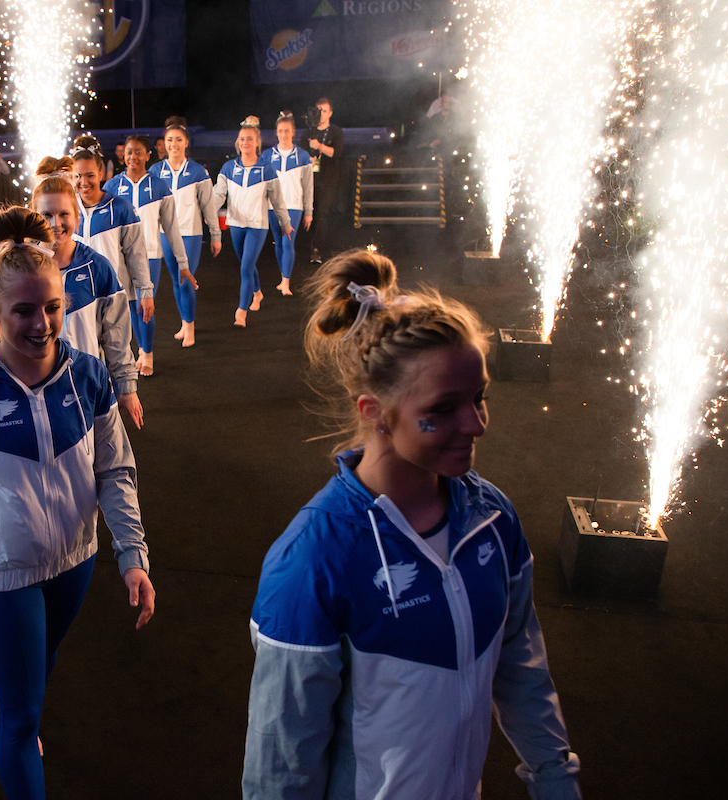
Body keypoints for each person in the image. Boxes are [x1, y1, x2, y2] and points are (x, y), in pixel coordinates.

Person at [242, 249, 582, 799]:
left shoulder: (494, 521)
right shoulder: (312, 559)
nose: (475, 423)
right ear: (373, 411)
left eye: (479, 399)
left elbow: (520, 663)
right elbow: (280, 766)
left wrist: (554, 776)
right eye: (444, 408)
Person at [0, 206, 156, 800]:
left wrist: (131, 553)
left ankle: (20, 724)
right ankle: (21, 734)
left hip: (76, 560)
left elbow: (115, 469)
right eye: (23, 311)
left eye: (52, 307)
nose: (41, 324)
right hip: (2, 572)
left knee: (39, 666)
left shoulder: (90, 377)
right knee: (23, 716)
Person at [31, 157, 142, 425]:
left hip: (88, 389)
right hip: (34, 391)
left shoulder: (97, 267)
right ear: (34, 217)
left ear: (77, 216)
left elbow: (115, 332)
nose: (55, 223)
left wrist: (126, 387)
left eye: (63, 214)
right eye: (46, 215)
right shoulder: (21, 269)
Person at [104, 135, 195, 376]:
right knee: (131, 305)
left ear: (148, 155)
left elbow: (172, 229)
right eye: (129, 152)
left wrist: (182, 263)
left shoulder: (159, 186)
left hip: (150, 255)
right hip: (120, 257)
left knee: (145, 305)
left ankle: (148, 353)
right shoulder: (112, 187)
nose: (132, 157)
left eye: (138, 152)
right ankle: (140, 350)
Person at [69, 136, 154, 393]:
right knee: (84, 359)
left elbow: (136, 255)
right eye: (77, 176)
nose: (84, 183)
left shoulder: (121, 208)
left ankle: (115, 407)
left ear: (102, 173)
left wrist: (146, 291)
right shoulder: (67, 210)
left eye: (90, 175)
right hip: (77, 298)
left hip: (113, 295)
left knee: (117, 356)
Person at [213, 116, 292, 328]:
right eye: (241, 139)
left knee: (246, 266)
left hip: (257, 226)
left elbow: (278, 201)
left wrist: (285, 223)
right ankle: (257, 293)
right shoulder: (228, 167)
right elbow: (217, 195)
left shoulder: (267, 169)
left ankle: (241, 311)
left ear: (257, 142)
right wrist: (208, 210)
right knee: (245, 265)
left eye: (249, 139)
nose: (245, 143)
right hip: (236, 224)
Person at [150, 116, 222, 348]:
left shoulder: (198, 172)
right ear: (164, 142)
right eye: (169, 139)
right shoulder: (154, 171)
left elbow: (208, 207)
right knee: (175, 280)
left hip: (189, 233)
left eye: (178, 139)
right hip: (165, 235)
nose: (173, 144)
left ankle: (190, 327)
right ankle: (184, 323)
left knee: (186, 281)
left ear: (186, 142)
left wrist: (216, 234)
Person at [263, 110, 314, 296]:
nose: (283, 134)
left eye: (287, 131)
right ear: (276, 133)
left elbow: (308, 187)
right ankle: (282, 276)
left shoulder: (303, 156)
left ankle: (286, 282)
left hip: (293, 205)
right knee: (278, 242)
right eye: (280, 131)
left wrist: (309, 210)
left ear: (294, 132)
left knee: (288, 242)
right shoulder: (267, 156)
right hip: (272, 206)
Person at [301, 97, 344, 263]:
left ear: (330, 113)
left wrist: (319, 146)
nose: (321, 114)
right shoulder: (307, 133)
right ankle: (307, 245)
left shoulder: (335, 132)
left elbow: (337, 153)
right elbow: (301, 155)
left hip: (328, 179)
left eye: (324, 111)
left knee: (322, 213)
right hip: (310, 178)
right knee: (308, 212)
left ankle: (317, 248)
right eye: (318, 110)